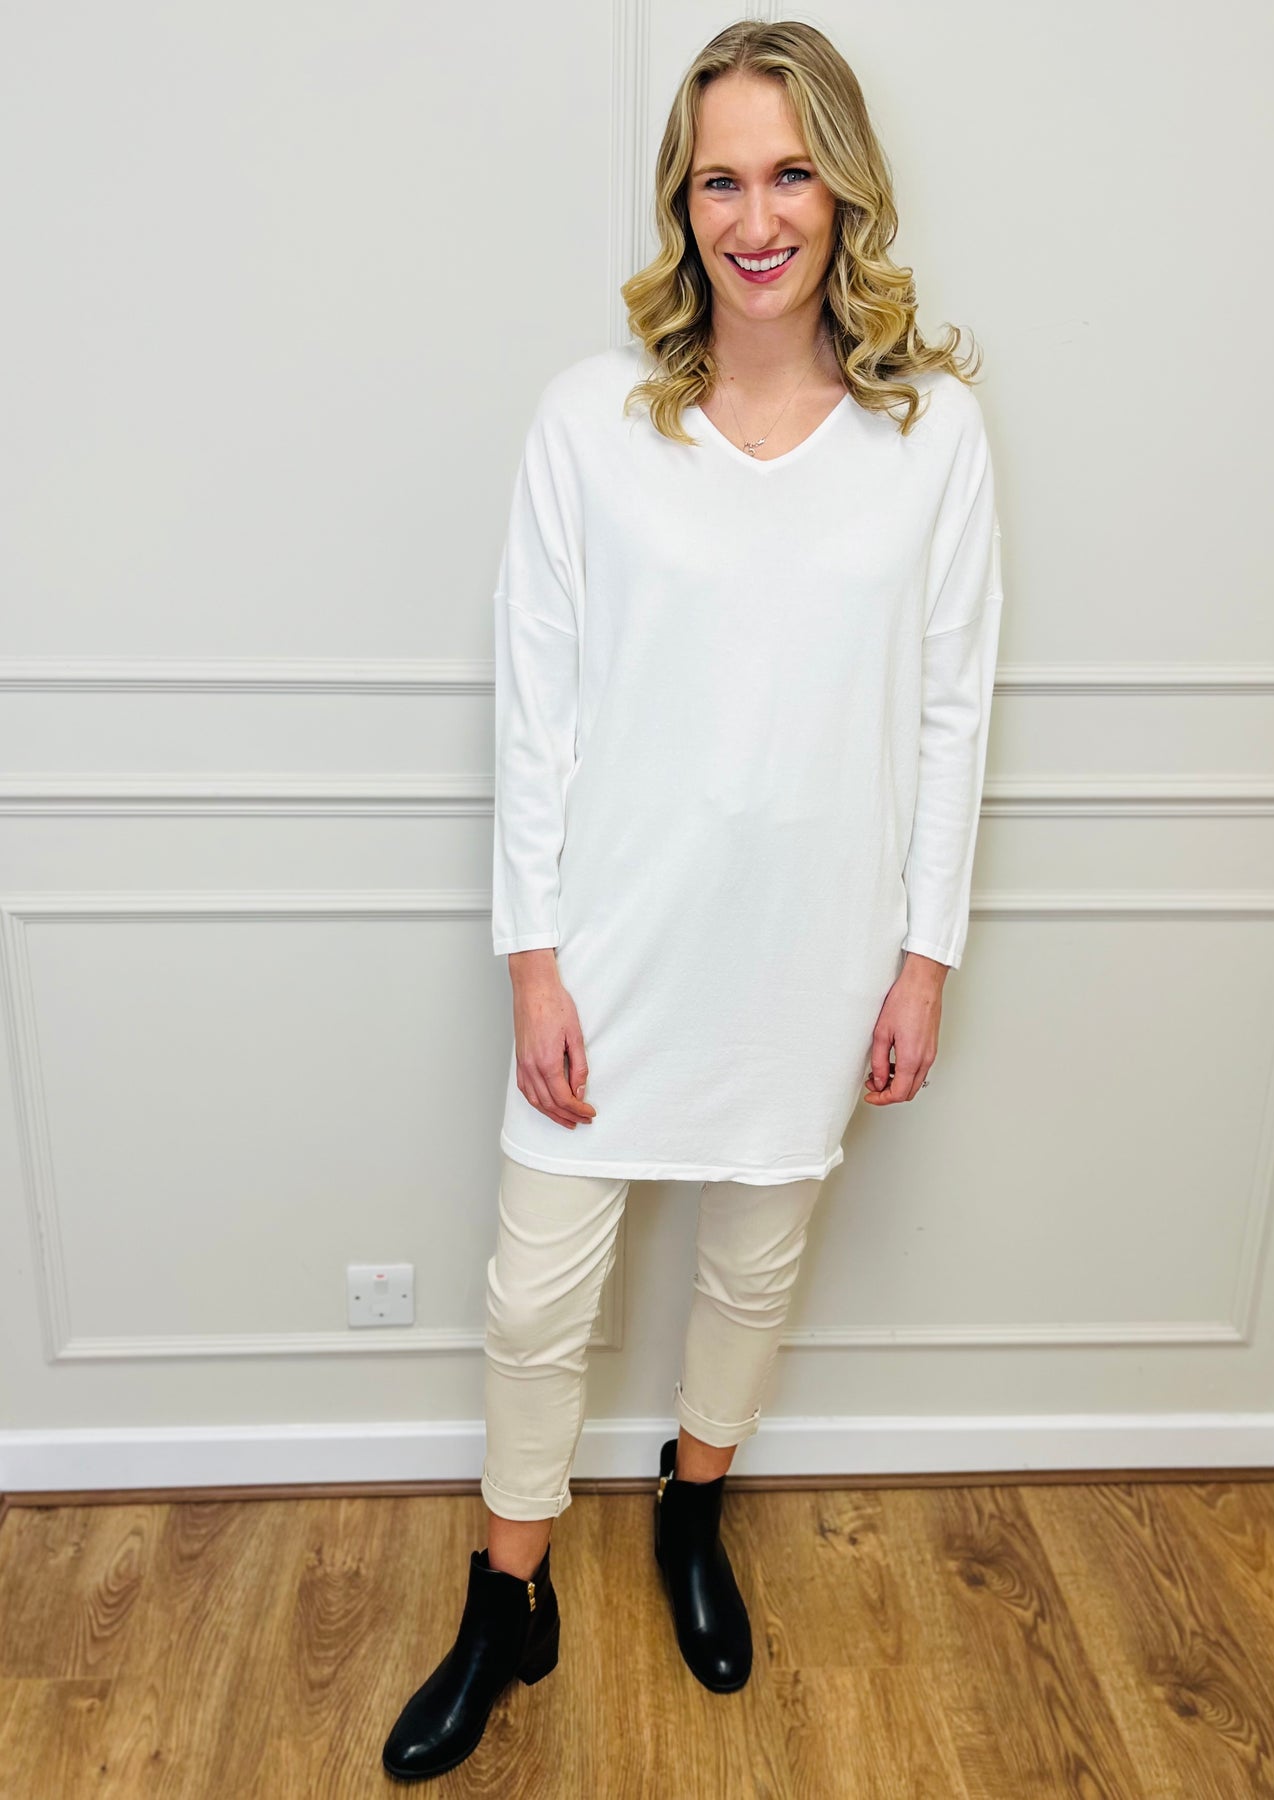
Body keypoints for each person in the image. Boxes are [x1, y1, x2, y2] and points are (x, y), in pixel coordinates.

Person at [383, 16, 1003, 1782]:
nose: (757, 216)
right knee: (535, 1303)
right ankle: (506, 1599)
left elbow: (953, 710)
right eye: (720, 180)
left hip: (818, 948)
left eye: (790, 173)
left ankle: (690, 1504)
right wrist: (533, 965)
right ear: (682, 204)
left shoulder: (930, 435)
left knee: (753, 1268)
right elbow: (537, 711)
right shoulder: (589, 422)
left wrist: (923, 960)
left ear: (844, 192)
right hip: (613, 944)